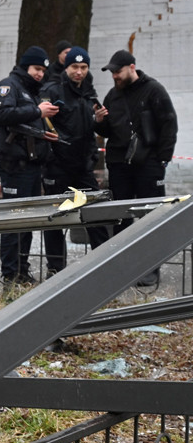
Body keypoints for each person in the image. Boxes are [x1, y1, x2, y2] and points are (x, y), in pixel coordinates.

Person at [95, 50, 178, 287]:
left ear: (131, 67)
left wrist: (162, 160)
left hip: (148, 165)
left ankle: (150, 268)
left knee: (149, 217)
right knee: (120, 217)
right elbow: (108, 131)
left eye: (118, 71)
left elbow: (169, 125)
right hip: (120, 164)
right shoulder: (113, 95)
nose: (114, 77)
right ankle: (123, 268)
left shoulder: (154, 90)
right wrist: (99, 122)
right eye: (112, 72)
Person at [0, 45, 60, 286]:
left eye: (43, 70)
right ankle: (10, 274)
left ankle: (22, 271)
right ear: (25, 66)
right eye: (36, 68)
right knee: (13, 221)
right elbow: (0, 115)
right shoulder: (9, 86)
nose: (40, 74)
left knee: (27, 222)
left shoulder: (32, 91)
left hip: (31, 166)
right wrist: (37, 111)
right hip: (14, 166)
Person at [39, 46, 111, 276]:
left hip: (82, 166)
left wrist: (98, 121)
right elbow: (43, 125)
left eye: (83, 67)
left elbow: (96, 126)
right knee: (56, 220)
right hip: (58, 166)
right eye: (74, 67)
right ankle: (56, 268)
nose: (79, 72)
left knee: (96, 214)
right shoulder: (52, 90)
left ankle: (101, 264)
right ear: (66, 67)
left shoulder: (88, 93)